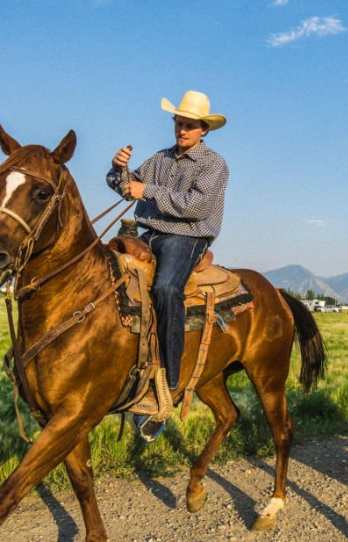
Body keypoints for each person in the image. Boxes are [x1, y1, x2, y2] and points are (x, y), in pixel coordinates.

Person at [106, 90, 229, 440]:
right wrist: (118, 170)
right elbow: (125, 187)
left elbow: (196, 207)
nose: (183, 129)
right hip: (148, 233)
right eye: (179, 122)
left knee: (165, 288)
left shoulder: (213, 163)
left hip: (186, 237)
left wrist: (148, 192)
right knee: (105, 274)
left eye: (190, 125)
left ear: (204, 129)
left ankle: (169, 383)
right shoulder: (160, 159)